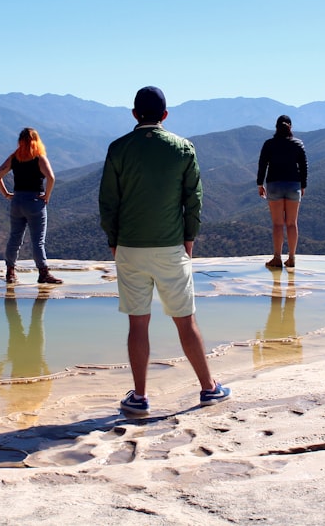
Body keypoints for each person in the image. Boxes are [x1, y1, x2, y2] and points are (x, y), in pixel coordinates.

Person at [99, 86, 231, 416]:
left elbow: (108, 201)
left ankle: (140, 397)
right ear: (165, 115)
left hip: (130, 246)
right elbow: (193, 200)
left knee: (138, 324)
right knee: (186, 322)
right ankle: (208, 388)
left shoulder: (118, 149)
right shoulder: (183, 149)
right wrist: (190, 237)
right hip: (171, 246)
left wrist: (113, 239)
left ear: (134, 115)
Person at [0, 127, 63, 285]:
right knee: (38, 241)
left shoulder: (14, 157)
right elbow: (51, 178)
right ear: (36, 141)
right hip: (34, 202)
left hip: (17, 201)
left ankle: (10, 272)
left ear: (20, 141)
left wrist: (6, 194)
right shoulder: (39, 158)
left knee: (14, 238)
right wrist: (47, 195)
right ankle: (43, 273)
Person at [256, 114, 307, 269]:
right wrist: (303, 185)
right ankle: (291, 258)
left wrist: (260, 183)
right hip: (293, 185)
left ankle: (277, 258)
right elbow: (304, 167)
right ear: (290, 126)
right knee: (292, 223)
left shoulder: (269, 144)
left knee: (278, 224)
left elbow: (262, 165)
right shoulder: (298, 144)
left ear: (276, 127)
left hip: (274, 185)